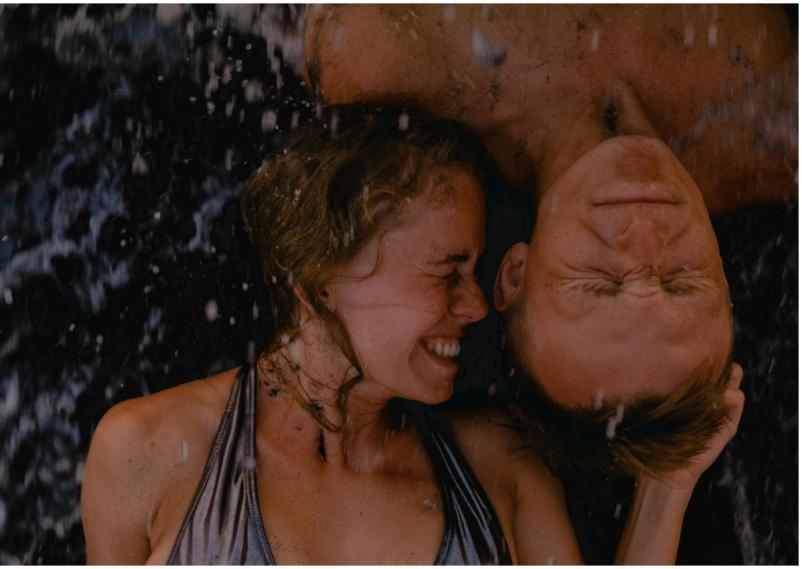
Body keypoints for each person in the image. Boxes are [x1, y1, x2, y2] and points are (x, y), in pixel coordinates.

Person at [80, 107, 740, 565]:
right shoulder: (145, 452)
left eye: (475, 268)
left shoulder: (499, 463)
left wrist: (667, 485)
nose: (477, 304)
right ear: (322, 278)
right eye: (447, 272)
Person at [304, 4, 793, 475]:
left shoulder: (391, 62)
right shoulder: (780, 116)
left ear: (516, 273)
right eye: (684, 279)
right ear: (726, 278)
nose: (644, 233)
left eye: (598, 281)